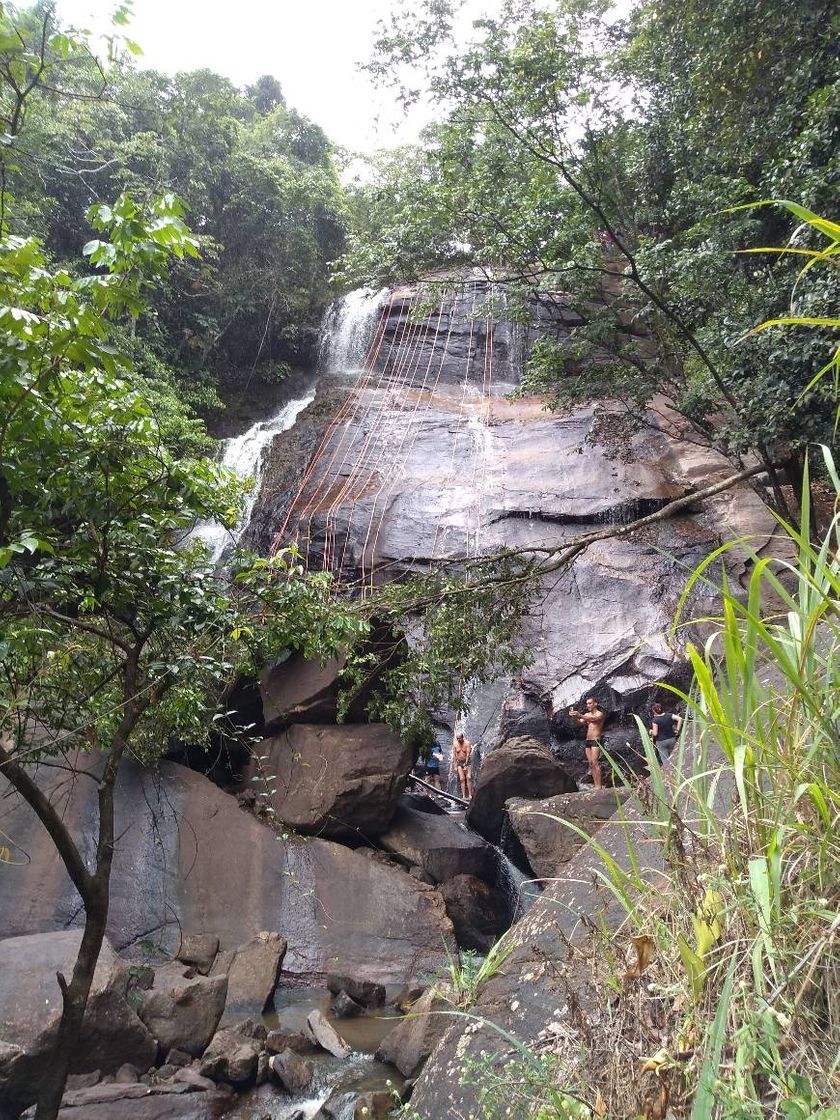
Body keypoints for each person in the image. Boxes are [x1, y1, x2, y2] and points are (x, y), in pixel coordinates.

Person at [568, 697, 605, 789]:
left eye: (590, 703)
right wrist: (574, 717)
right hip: (588, 741)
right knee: (591, 763)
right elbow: (580, 723)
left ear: (595, 704)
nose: (588, 705)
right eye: (587, 704)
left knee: (595, 762)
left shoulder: (599, 714)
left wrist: (579, 714)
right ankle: (596, 784)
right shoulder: (587, 714)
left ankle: (599, 786)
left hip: (596, 740)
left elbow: (593, 719)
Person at [452, 731, 473, 800]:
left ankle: (470, 795)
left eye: (459, 738)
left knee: (469, 777)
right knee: (462, 779)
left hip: (467, 762)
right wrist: (455, 766)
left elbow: (468, 754)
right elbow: (454, 756)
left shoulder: (467, 743)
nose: (458, 740)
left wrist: (466, 764)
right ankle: (464, 796)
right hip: (459, 763)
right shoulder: (455, 744)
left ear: (462, 737)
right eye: (457, 738)